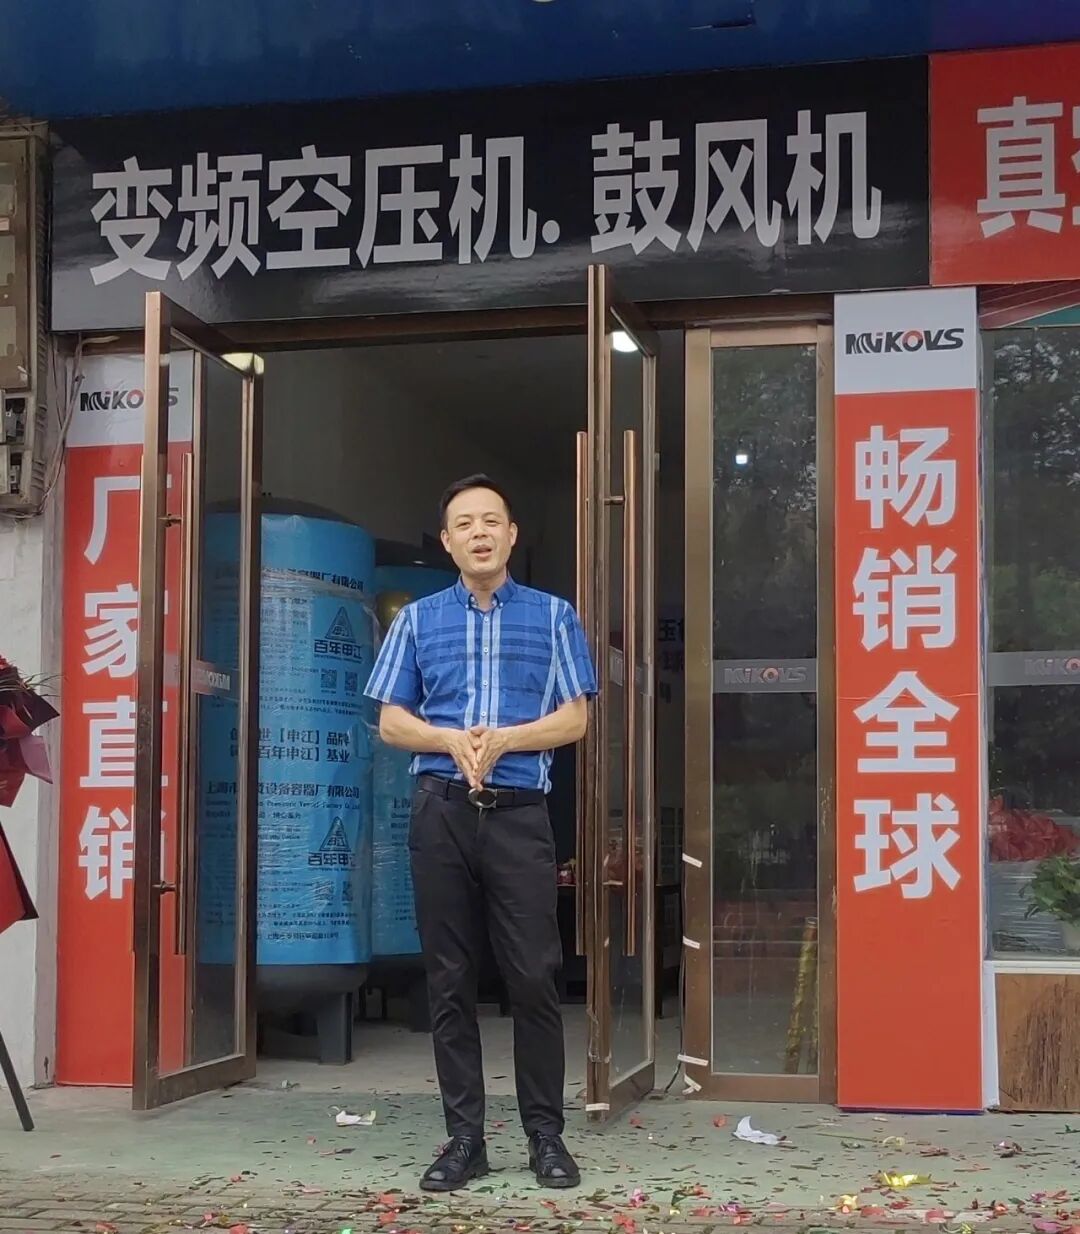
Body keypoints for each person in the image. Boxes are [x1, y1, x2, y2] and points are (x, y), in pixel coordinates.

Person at [365, 475, 596, 1192]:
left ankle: (546, 1136)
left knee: (533, 976)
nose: (479, 533)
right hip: (440, 812)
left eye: (491, 521)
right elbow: (390, 720)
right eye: (464, 524)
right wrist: (446, 737)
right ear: (448, 541)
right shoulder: (417, 620)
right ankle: (465, 1139)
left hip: (521, 815)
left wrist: (505, 740)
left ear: (512, 534)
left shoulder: (554, 616)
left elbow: (576, 717)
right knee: (449, 981)